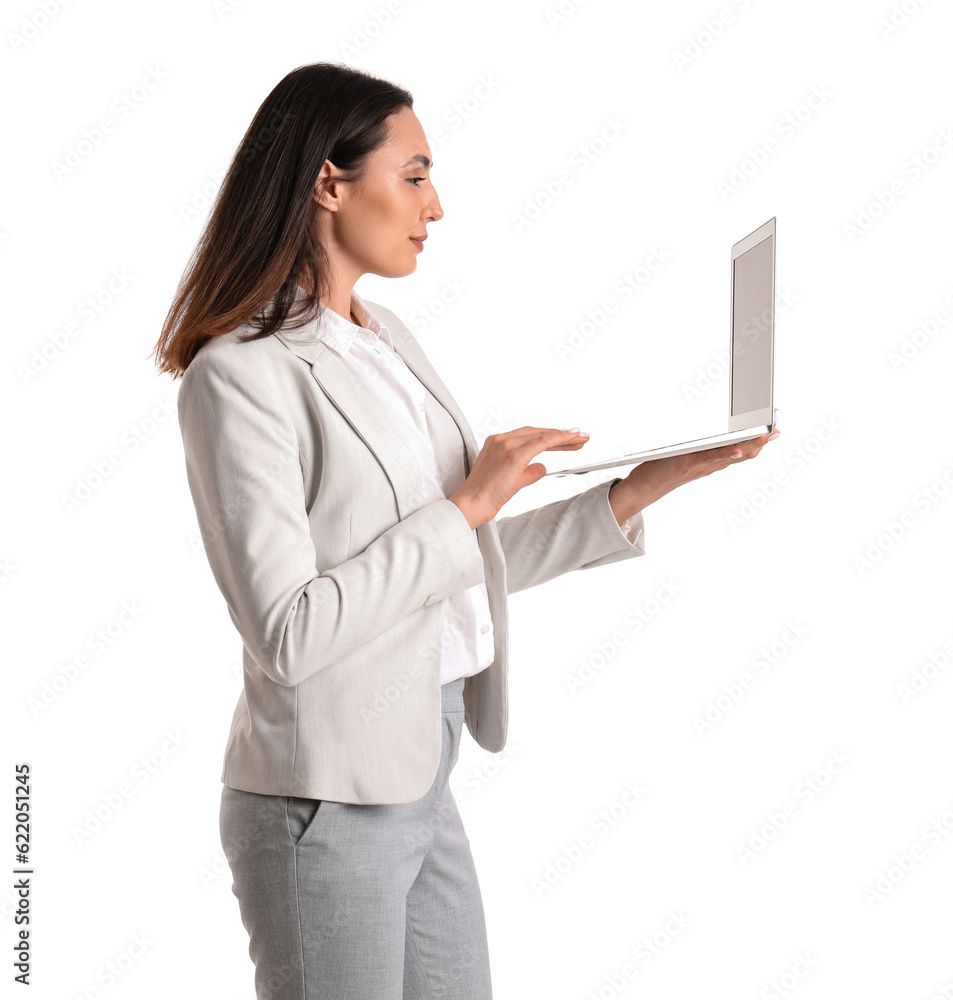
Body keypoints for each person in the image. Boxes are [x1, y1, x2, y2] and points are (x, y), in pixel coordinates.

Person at [152, 61, 780, 1000]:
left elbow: (451, 566)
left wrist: (636, 490)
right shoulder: (239, 377)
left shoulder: (386, 341)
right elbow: (289, 630)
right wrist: (466, 506)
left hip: (420, 768)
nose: (434, 206)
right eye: (412, 175)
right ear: (329, 183)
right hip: (323, 796)